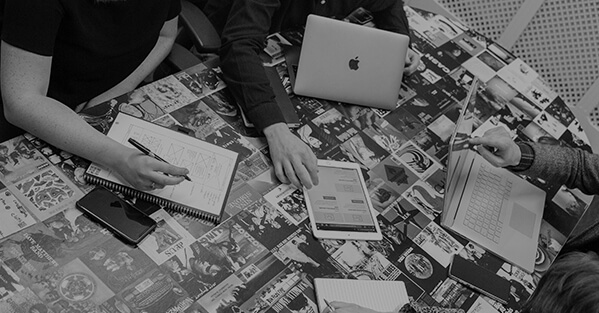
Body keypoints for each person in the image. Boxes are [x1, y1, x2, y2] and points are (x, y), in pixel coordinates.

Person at [202, 0, 422, 189]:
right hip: (242, 52)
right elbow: (238, 46)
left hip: (304, 54)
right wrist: (277, 131)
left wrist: (401, 41)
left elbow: (390, 4)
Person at [1, 0, 189, 191]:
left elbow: (165, 35)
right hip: (34, 119)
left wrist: (113, 93)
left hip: (105, 107)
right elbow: (22, 101)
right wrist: (120, 158)